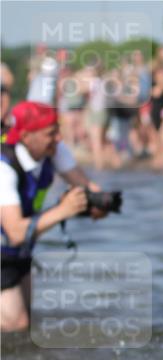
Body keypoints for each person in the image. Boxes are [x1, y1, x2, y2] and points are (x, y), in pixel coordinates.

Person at [1, 102, 103, 331]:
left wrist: (100, 204)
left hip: (18, 253)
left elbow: (88, 188)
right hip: (7, 247)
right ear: (26, 136)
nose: (58, 138)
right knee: (15, 323)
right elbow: (16, 232)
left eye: (57, 129)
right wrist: (63, 210)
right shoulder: (3, 167)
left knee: (34, 321)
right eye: (51, 132)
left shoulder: (52, 150)